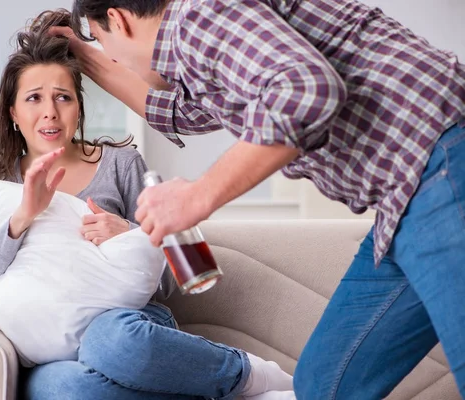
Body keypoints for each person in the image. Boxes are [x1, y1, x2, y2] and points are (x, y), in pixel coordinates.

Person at [51, 0, 465, 398]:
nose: (115, 61)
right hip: (404, 204)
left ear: (118, 20)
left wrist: (197, 196)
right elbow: (178, 111)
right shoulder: (210, 44)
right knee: (324, 383)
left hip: (442, 163)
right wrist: (80, 53)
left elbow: (306, 90)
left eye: (106, 45)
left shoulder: (200, 16)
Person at [0, 9, 295, 400]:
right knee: (70, 391)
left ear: (78, 109)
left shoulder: (120, 164)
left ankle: (245, 372)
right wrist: (22, 218)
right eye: (34, 98)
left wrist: (131, 234)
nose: (49, 111)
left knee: (108, 342)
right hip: (50, 351)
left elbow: (178, 278)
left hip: (127, 328)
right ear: (14, 113)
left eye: (63, 97)